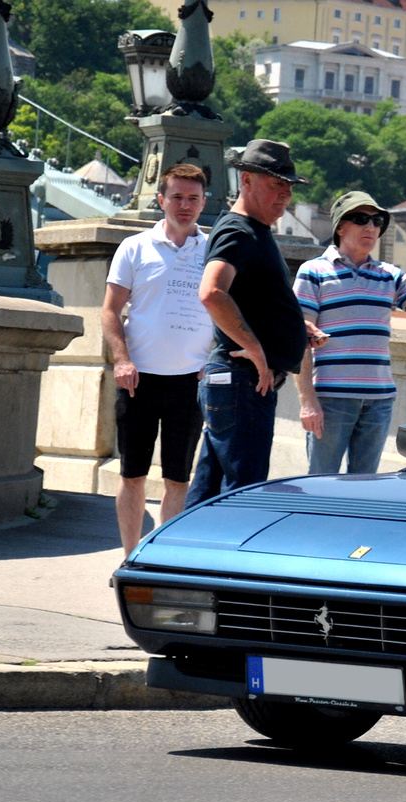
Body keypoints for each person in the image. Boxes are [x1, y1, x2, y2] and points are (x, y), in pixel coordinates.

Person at [188, 140, 324, 504]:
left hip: (234, 381)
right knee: (242, 492)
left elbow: (249, 299)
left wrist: (296, 327)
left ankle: (178, 558)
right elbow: (212, 292)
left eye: (289, 186)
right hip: (243, 381)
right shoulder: (240, 231)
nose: (285, 194)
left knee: (210, 491)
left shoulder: (252, 231)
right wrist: (255, 349)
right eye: (275, 184)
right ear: (246, 180)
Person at [294, 192, 406, 475]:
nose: (371, 227)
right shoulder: (314, 272)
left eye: (377, 220)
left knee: (365, 487)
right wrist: (308, 402)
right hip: (331, 400)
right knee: (320, 485)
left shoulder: (389, 275)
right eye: (361, 219)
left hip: (379, 401)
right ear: (340, 227)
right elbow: (298, 339)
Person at [99, 163, 211, 555]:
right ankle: (130, 558)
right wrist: (122, 360)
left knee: (179, 479)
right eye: (177, 197)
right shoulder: (135, 247)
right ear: (160, 199)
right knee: (133, 475)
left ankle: (163, 559)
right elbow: (111, 310)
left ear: (204, 202)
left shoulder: (213, 249)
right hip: (138, 380)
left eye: (193, 198)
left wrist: (212, 360)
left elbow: (229, 311)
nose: (185, 205)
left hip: (190, 382)